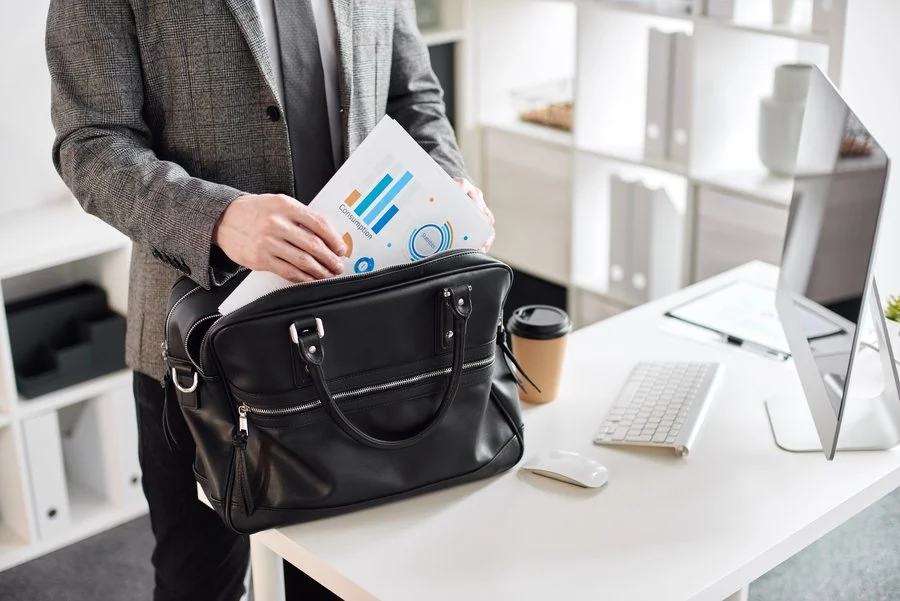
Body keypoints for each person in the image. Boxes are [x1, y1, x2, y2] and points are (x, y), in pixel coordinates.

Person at [46, 1, 493, 599]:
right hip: (199, 344)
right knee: (197, 580)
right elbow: (92, 142)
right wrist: (216, 218)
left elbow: (413, 97)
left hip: (365, 329)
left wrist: (446, 183)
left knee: (341, 572)